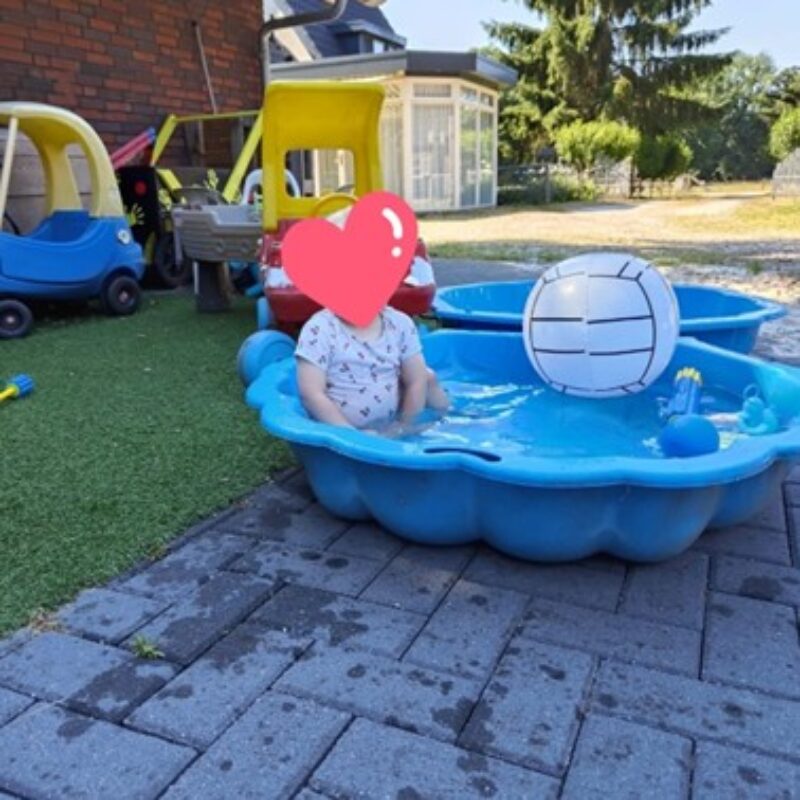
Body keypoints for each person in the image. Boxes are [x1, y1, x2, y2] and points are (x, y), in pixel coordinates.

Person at [295, 306, 449, 433]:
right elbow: (311, 394)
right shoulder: (320, 330)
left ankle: (446, 417)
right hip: (343, 428)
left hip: (394, 417)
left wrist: (405, 426)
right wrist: (350, 434)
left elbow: (417, 380)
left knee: (427, 377)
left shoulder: (399, 324)